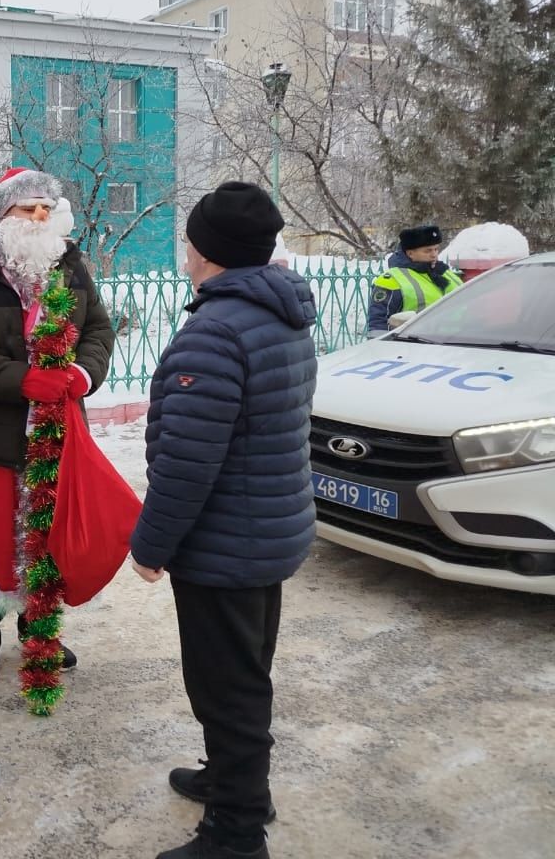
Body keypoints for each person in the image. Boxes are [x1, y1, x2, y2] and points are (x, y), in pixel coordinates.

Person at [129, 182, 317, 859]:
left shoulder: (215, 332)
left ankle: (237, 834)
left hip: (226, 545)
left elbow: (186, 463)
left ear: (204, 249)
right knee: (242, 673)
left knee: (228, 688)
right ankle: (232, 782)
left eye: (189, 239)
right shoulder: (280, 315)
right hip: (265, 531)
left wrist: (150, 544)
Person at [0, 167, 114, 689]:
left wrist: (82, 372)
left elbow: (98, 330)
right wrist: (22, 380)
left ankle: (40, 628)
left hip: (58, 435)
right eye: (26, 208)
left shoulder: (72, 270)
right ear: (0, 217)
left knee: (48, 538)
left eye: (44, 207)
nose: (38, 216)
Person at [366, 224, 463, 336]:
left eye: (436, 249)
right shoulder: (392, 280)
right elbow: (378, 323)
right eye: (428, 251)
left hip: (461, 345)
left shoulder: (446, 274)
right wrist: (383, 349)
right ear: (410, 253)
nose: (434, 255)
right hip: (417, 347)